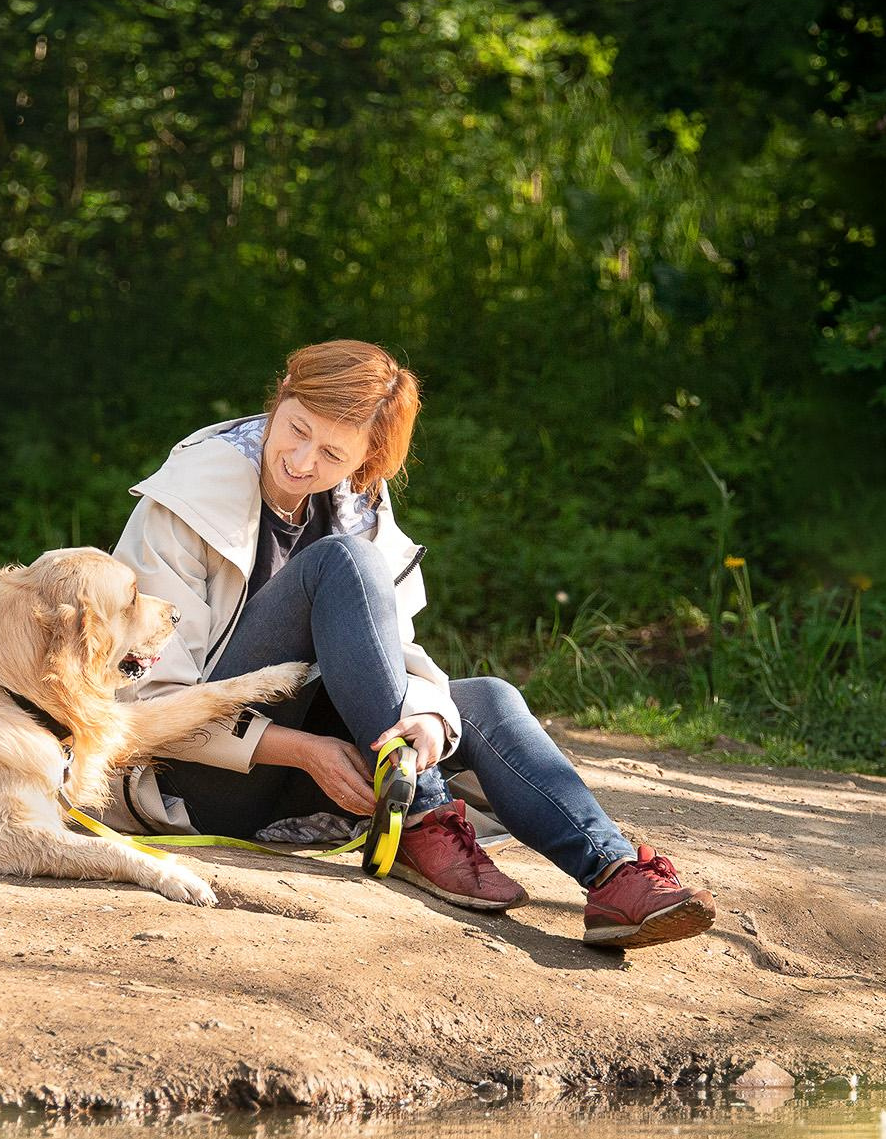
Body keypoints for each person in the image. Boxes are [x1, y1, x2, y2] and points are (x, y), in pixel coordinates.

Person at [108, 340, 714, 949]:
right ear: (281, 395)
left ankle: (612, 875)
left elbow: (392, 650)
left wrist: (424, 712)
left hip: (323, 769)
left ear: (367, 460)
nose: (299, 460)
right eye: (295, 429)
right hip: (195, 775)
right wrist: (303, 750)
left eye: (331, 453)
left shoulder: (359, 503)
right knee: (340, 563)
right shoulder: (188, 495)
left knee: (487, 700)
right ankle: (422, 818)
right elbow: (147, 702)